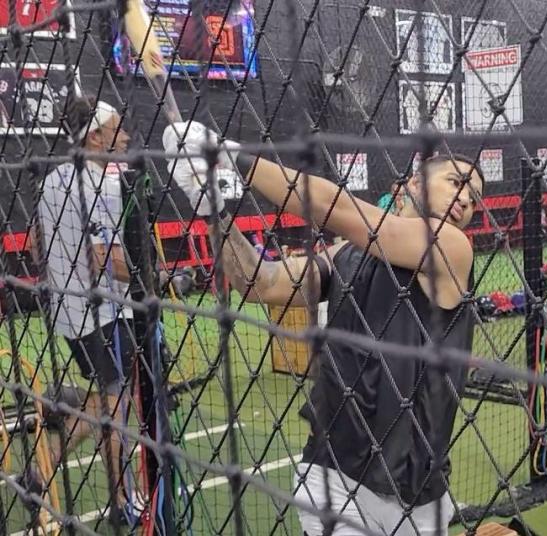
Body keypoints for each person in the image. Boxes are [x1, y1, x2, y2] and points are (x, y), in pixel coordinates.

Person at [161, 121, 483, 536]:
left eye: (474, 198)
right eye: (456, 183)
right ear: (413, 185)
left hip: (417, 494)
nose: (466, 200)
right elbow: (262, 283)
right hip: (334, 476)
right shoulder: (348, 254)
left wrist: (229, 154)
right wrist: (213, 211)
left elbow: (340, 208)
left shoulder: (453, 249)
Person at [29, 96, 140, 527]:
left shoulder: (54, 180)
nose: (126, 136)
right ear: (95, 137)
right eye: (117, 129)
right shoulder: (94, 185)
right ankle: (121, 500)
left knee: (111, 402)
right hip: (102, 318)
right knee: (117, 407)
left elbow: (40, 246)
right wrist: (154, 281)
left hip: (69, 317)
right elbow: (104, 257)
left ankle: (43, 469)